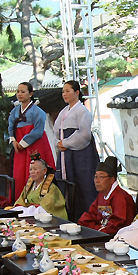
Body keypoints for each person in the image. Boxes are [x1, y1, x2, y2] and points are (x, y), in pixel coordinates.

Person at [53, 80, 99, 222]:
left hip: (80, 153)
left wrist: (66, 143)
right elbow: (56, 131)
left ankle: (86, 217)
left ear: (77, 92)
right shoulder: (63, 112)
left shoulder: (82, 110)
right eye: (63, 91)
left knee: (82, 182)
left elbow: (84, 134)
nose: (64, 94)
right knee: (67, 182)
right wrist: (59, 143)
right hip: (66, 152)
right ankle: (69, 216)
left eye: (68, 91)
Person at [8, 82, 55, 196]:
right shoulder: (15, 111)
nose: (19, 94)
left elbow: (38, 130)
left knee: (35, 171)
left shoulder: (38, 111)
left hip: (34, 144)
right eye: (18, 92)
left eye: (23, 92)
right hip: (19, 145)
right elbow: (10, 126)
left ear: (31, 93)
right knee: (19, 174)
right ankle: (20, 201)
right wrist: (14, 141)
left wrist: (23, 143)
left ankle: (37, 200)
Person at [78, 156, 136, 234]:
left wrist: (98, 229)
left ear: (112, 180)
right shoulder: (101, 195)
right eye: (95, 177)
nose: (97, 181)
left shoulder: (121, 197)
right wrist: (95, 228)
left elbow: (118, 224)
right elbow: (90, 215)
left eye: (101, 177)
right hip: (101, 233)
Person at [13, 151, 68, 219]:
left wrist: (30, 210)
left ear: (45, 171)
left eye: (35, 169)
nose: (32, 172)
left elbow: (47, 208)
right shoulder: (29, 186)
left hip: (47, 218)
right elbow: (21, 202)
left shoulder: (51, 188)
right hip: (31, 215)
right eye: (30, 169)